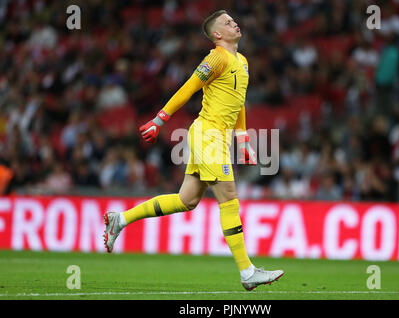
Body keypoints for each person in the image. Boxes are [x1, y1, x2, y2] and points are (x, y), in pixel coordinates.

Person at [103, 10, 284, 291]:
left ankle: (121, 219)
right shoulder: (216, 57)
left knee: (186, 200)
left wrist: (244, 140)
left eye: (233, 19)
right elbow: (189, 86)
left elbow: (238, 103)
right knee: (229, 197)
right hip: (208, 134)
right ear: (217, 35)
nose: (234, 22)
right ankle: (247, 272)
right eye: (226, 22)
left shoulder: (243, 62)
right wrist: (160, 119)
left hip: (218, 137)